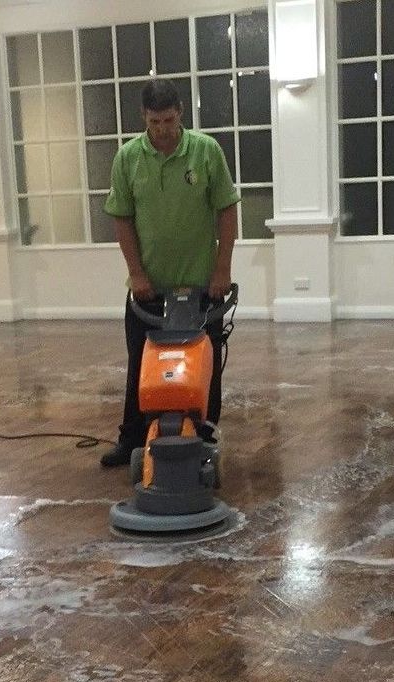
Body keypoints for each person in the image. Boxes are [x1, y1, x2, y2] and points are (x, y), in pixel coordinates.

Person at [100, 78, 240, 467]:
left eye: (169, 120)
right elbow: (122, 219)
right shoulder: (128, 157)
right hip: (149, 288)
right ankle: (132, 439)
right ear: (144, 117)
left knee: (204, 366)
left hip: (202, 286)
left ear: (180, 112)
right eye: (154, 121)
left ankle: (203, 437)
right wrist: (136, 274)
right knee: (141, 364)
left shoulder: (206, 151)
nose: (162, 129)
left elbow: (227, 210)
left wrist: (222, 269)